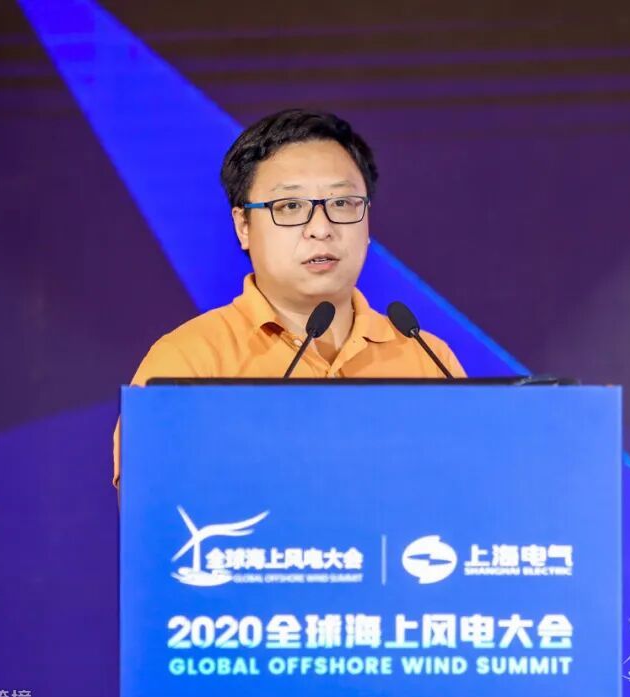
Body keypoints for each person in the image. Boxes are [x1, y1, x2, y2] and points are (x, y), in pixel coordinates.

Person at [111, 109, 466, 490]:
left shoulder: (427, 359)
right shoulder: (190, 361)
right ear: (243, 226)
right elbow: (153, 514)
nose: (321, 229)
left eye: (342, 203)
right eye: (291, 207)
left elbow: (473, 493)